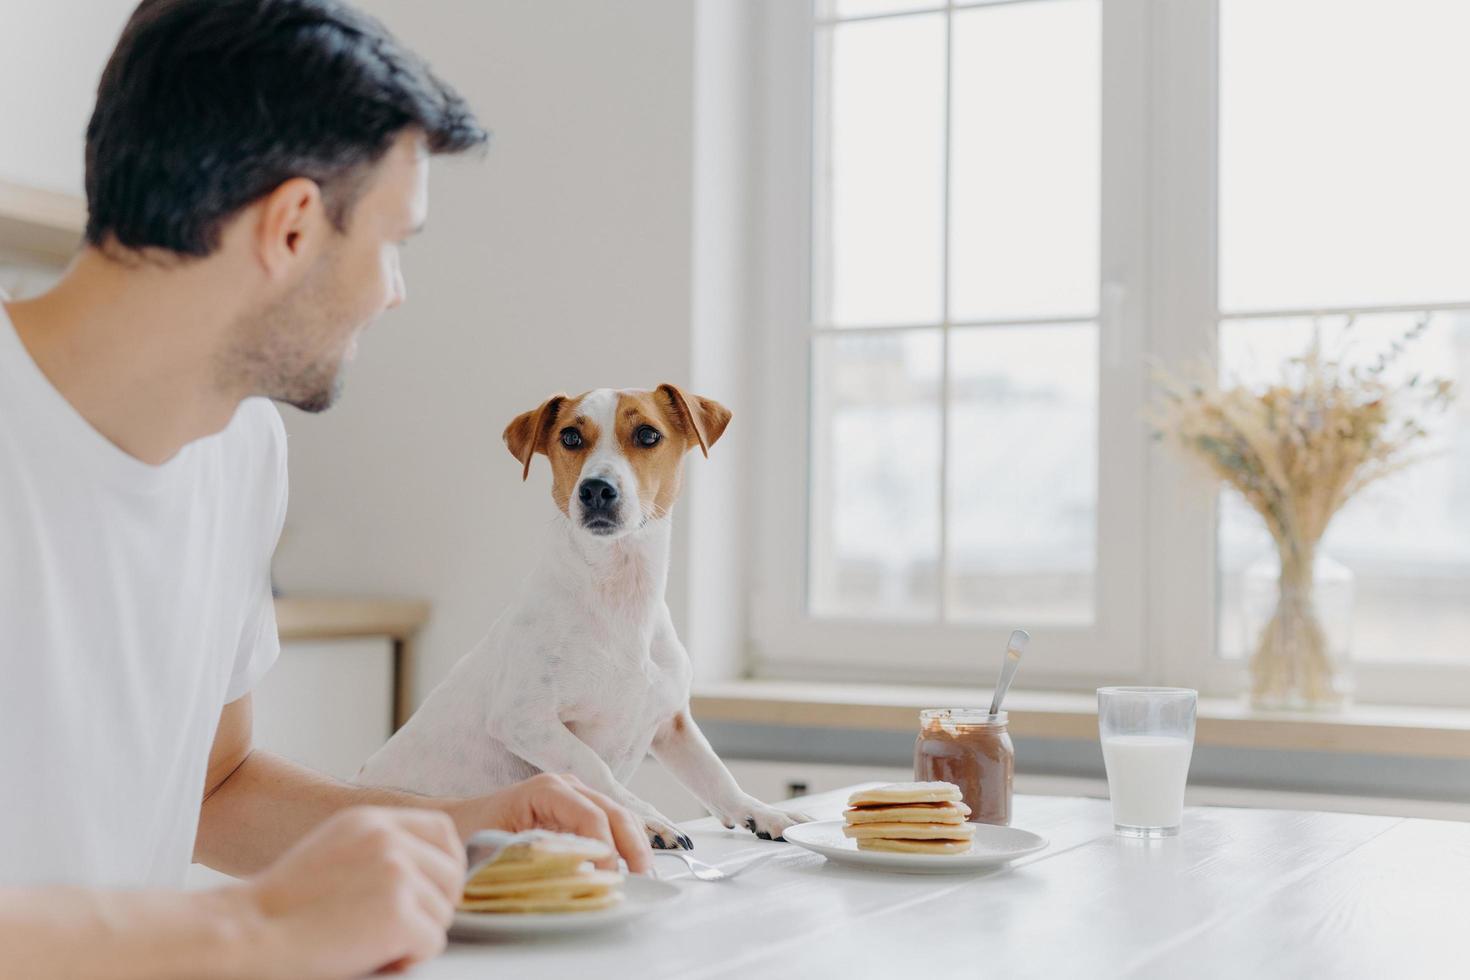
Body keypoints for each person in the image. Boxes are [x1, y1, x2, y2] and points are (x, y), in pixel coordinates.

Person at [0, 1, 652, 976]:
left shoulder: (242, 449)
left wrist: (463, 830)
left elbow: (214, 785)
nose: (395, 290)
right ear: (295, 225)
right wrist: (254, 931)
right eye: (394, 241)